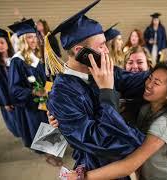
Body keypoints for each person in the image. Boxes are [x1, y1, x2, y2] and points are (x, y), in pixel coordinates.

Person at [46, 0, 149, 177]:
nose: (107, 51)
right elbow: (106, 142)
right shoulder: (61, 95)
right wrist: (107, 91)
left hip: (122, 167)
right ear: (80, 51)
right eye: (101, 46)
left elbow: (138, 81)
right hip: (96, 170)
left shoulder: (99, 70)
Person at [64, 60, 167, 180]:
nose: (148, 84)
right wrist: (65, 119)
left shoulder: (166, 122)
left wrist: (83, 177)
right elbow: (111, 121)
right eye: (150, 78)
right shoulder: (146, 108)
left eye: (157, 83)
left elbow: (129, 165)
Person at [8, 19, 61, 166]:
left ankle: (53, 151)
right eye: (29, 37)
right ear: (23, 40)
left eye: (34, 36)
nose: (34, 40)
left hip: (44, 99)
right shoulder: (17, 61)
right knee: (39, 125)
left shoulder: (35, 56)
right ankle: (48, 154)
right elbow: (14, 89)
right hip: (31, 104)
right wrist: (33, 92)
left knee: (49, 122)